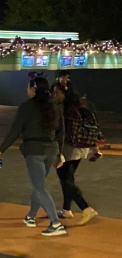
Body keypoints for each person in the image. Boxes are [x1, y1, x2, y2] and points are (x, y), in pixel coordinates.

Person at [0, 77, 67, 236]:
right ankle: (31, 217)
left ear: (33, 89)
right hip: (51, 149)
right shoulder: (55, 106)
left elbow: (15, 130)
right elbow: (61, 132)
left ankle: (55, 223)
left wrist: (1, 149)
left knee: (39, 187)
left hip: (34, 150)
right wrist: (59, 153)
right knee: (39, 185)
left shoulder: (26, 107)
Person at [55, 83, 99, 224]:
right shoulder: (80, 106)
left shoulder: (66, 109)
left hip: (69, 148)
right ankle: (66, 209)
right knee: (68, 178)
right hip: (81, 148)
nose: (55, 95)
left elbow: (62, 132)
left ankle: (86, 208)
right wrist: (94, 148)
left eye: (57, 92)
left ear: (64, 93)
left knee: (65, 179)